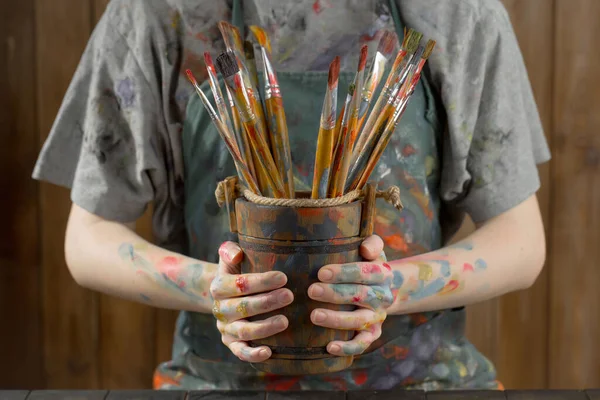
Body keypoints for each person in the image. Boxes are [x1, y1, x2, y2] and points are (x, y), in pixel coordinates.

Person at [33, 0, 550, 392]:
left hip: (421, 381)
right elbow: (88, 239)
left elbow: (521, 243)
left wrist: (390, 288)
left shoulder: (456, 13)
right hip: (221, 383)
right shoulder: (158, 14)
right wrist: (215, 289)